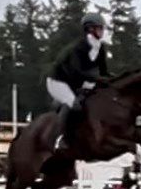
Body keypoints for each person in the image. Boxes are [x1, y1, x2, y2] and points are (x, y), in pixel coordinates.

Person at [46, 12, 111, 145]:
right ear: (90, 29)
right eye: (100, 28)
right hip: (58, 82)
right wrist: (97, 79)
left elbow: (104, 73)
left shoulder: (101, 48)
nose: (103, 31)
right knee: (74, 104)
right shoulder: (79, 47)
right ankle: (60, 138)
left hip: (76, 82)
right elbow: (76, 71)